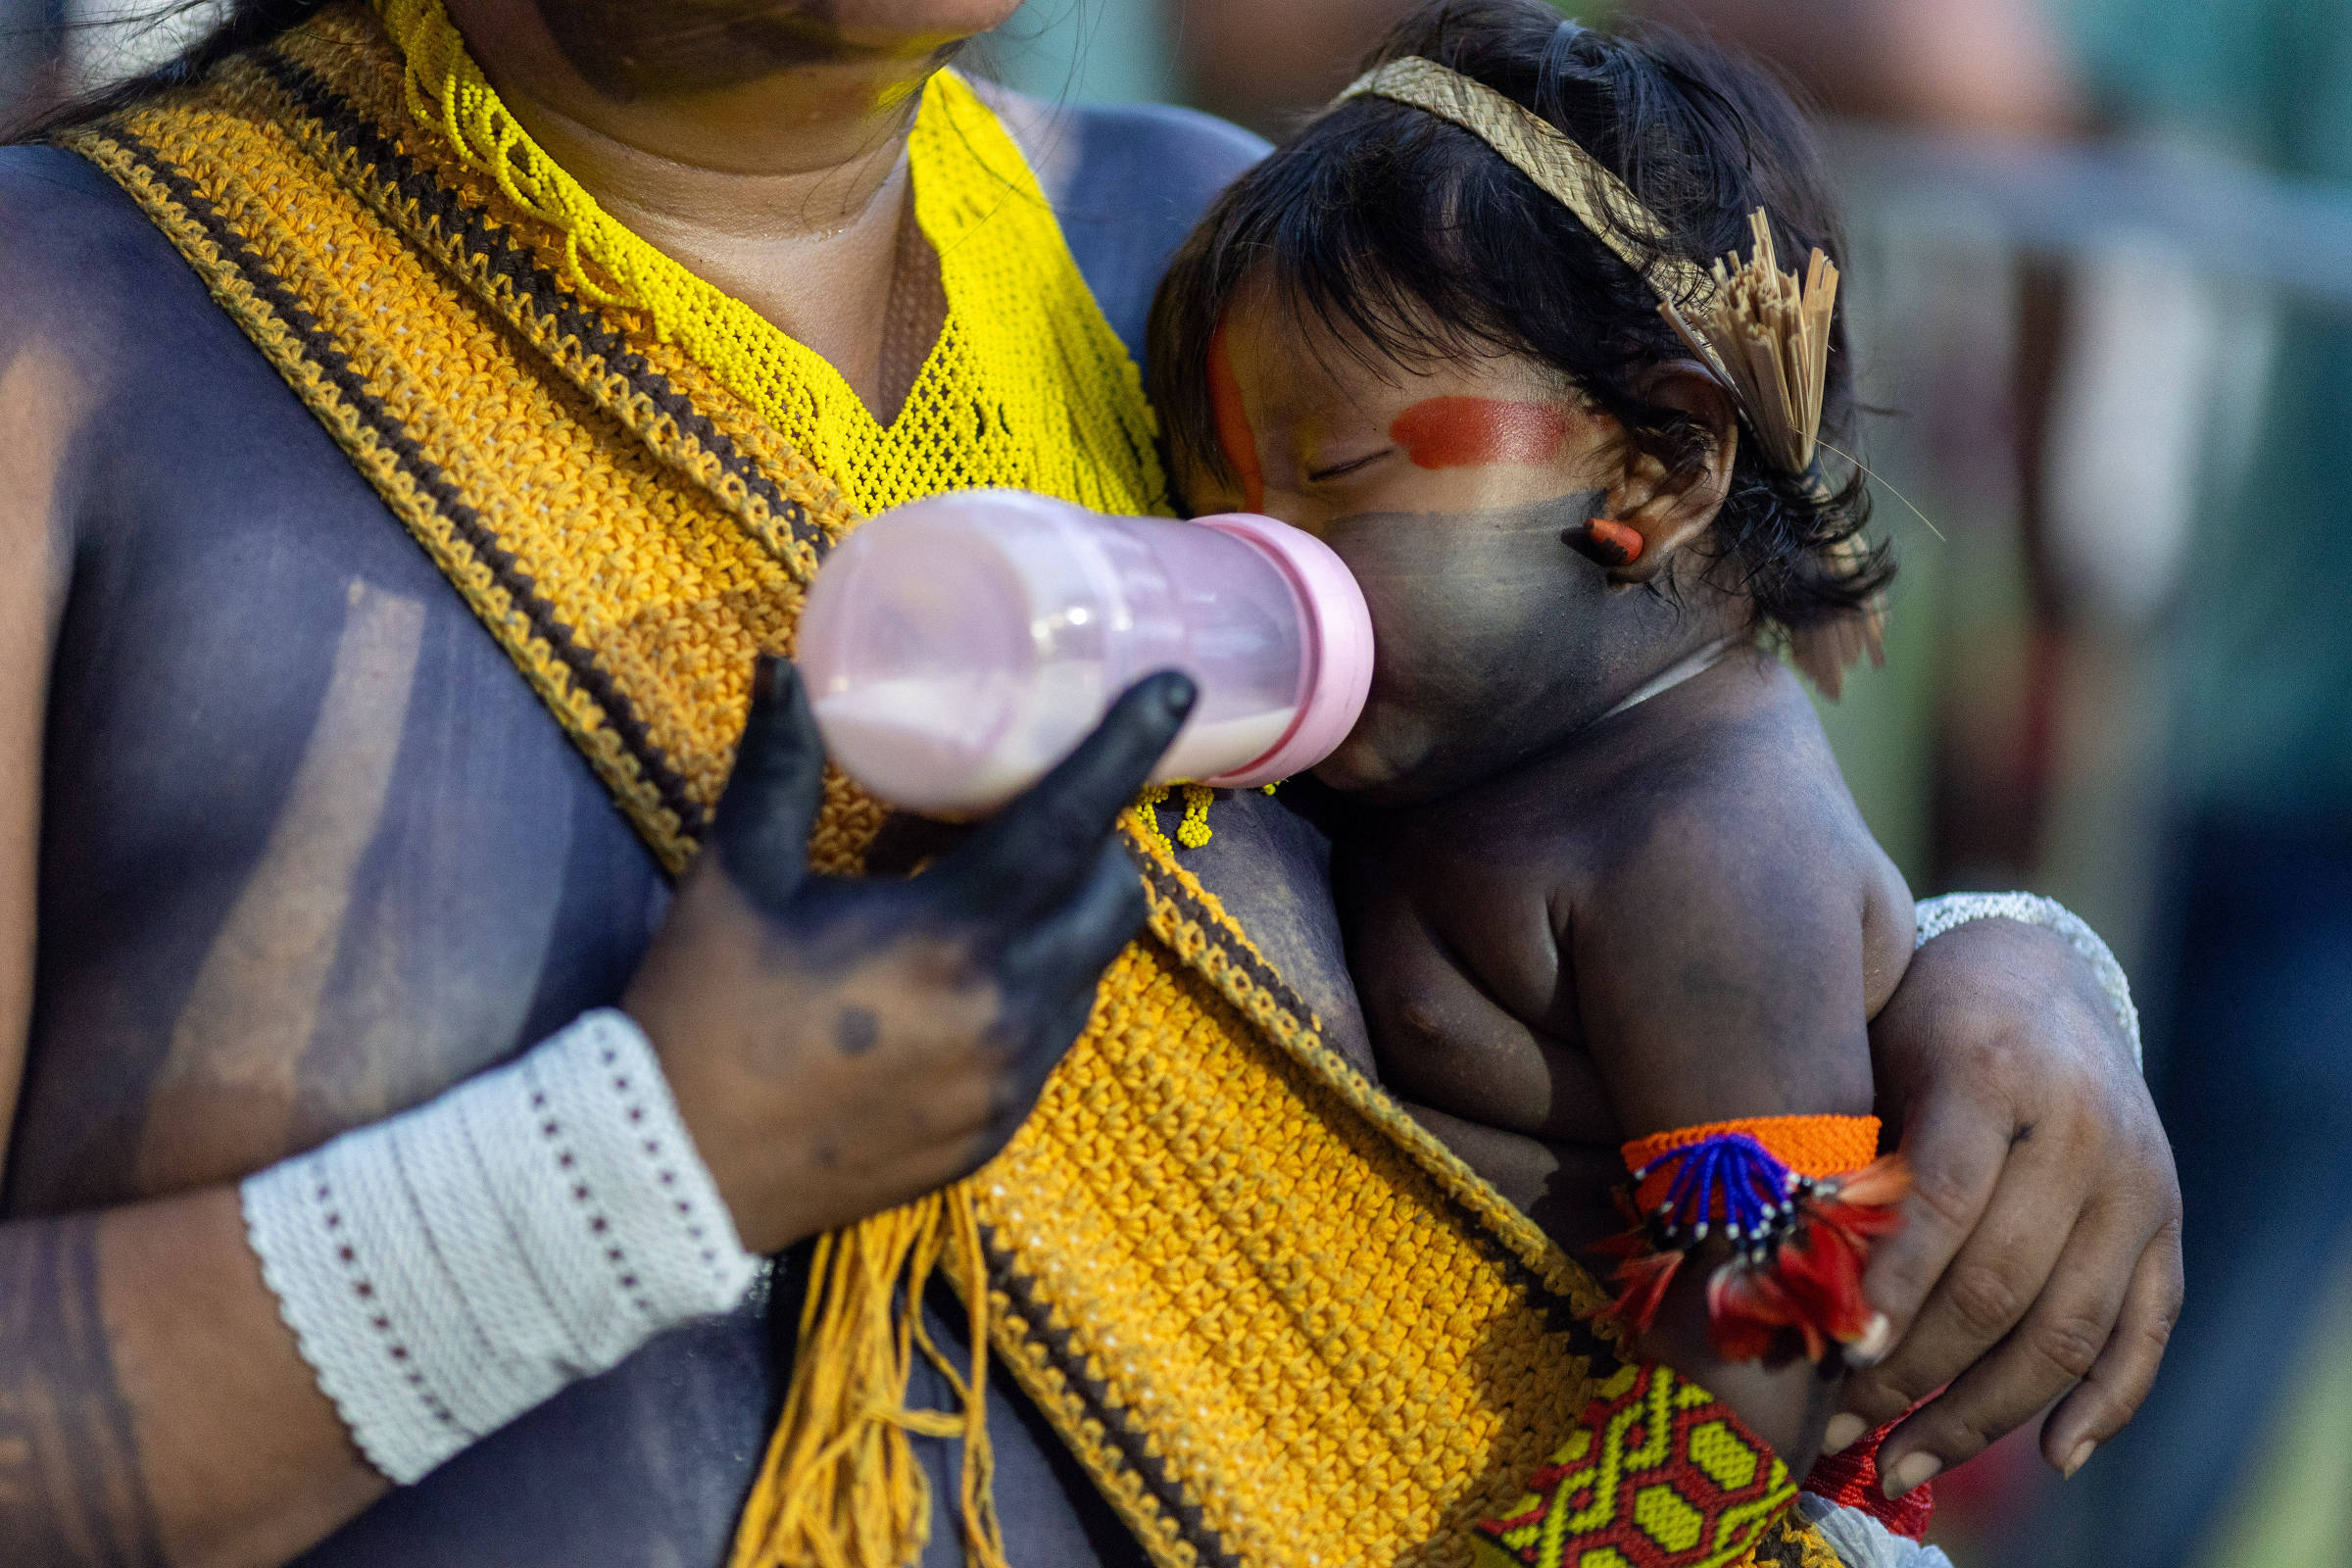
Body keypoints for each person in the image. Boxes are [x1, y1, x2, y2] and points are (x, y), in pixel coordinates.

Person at [0, 3, 2178, 1567]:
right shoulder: (74, 355)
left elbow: (1690, 836)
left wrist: (2014, 981)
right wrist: (635, 1168)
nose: (1281, 512)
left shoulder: (1230, 272)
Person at [1152, 0, 1917, 1486]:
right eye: (1214, 497)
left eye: (1334, 476)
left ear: (1663, 461)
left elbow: (1772, 1338)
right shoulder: (1471, 745)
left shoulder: (1707, 841)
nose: (1255, 560)